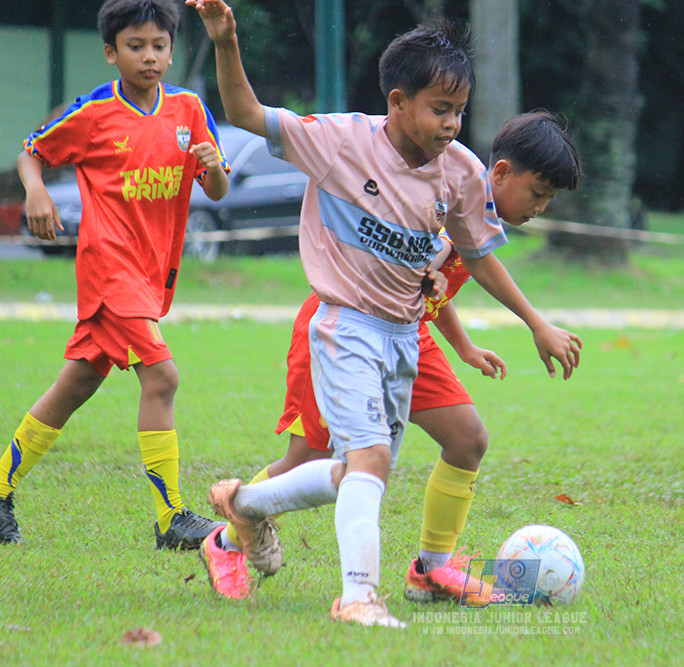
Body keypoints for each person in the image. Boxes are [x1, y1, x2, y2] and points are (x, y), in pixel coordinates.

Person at [187, 0, 581, 628]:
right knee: (357, 460)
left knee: (356, 468)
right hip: (344, 325)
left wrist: (534, 323)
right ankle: (358, 597)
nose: (452, 124)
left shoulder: (462, 175)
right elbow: (243, 114)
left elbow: (475, 258)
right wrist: (225, 41)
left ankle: (246, 506)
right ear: (398, 102)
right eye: (439, 109)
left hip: (403, 334)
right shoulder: (340, 141)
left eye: (459, 111)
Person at [0, 0, 230, 550]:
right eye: (135, 46)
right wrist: (34, 189)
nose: (149, 57)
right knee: (163, 376)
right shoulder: (93, 112)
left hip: (152, 276)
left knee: (75, 385)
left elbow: (217, 190)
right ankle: (170, 517)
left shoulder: (190, 110)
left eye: (159, 46)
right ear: (110, 52)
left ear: (171, 50)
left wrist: (214, 166)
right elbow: (33, 152)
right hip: (109, 268)